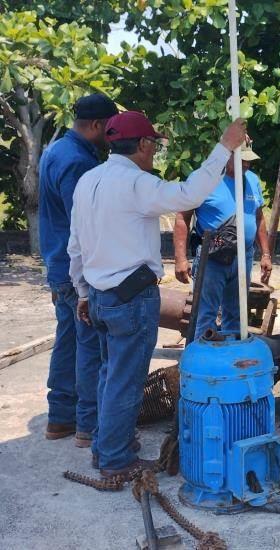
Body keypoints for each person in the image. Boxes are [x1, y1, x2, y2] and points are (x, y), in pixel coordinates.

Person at [68, 111, 248, 478]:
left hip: (100, 296)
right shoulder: (137, 184)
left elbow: (75, 247)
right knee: (125, 382)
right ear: (145, 145)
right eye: (154, 145)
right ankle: (116, 459)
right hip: (130, 299)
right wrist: (224, 146)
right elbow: (189, 194)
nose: (154, 153)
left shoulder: (88, 181)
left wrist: (83, 293)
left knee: (109, 376)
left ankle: (107, 446)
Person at [38, 93, 118, 446]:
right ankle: (88, 425)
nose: (112, 137)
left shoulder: (55, 150)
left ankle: (59, 418)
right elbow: (83, 224)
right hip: (74, 269)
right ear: (97, 125)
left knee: (68, 338)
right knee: (89, 344)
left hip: (58, 263)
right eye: (110, 129)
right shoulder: (77, 163)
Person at [173, 143, 272, 339]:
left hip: (243, 257)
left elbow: (259, 217)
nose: (247, 164)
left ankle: (229, 361)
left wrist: (266, 254)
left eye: (249, 161)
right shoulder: (204, 179)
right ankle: (202, 362)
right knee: (205, 314)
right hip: (212, 258)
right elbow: (182, 218)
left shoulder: (252, 180)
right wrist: (180, 259)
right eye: (242, 160)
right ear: (227, 156)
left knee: (236, 315)